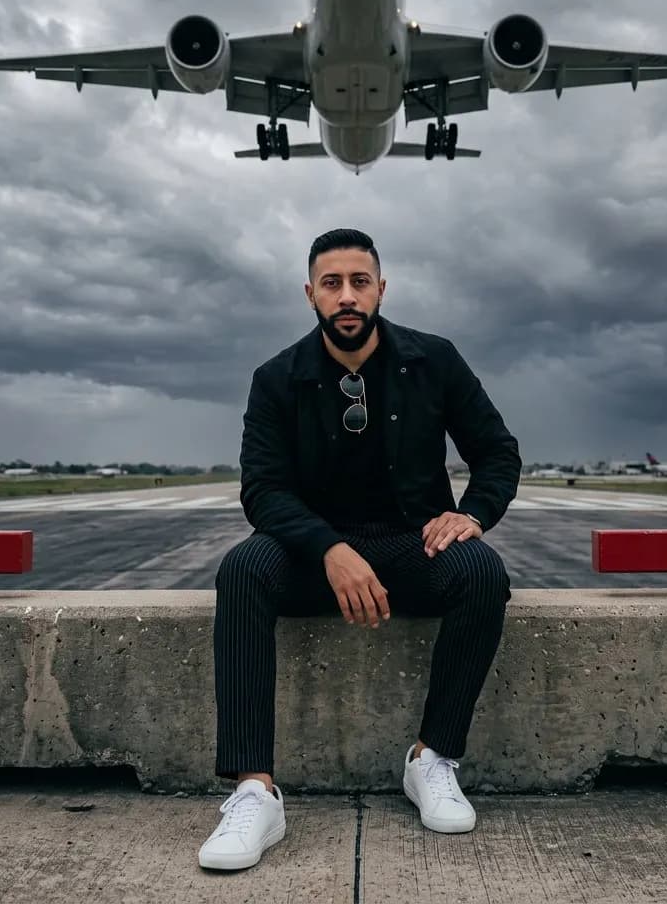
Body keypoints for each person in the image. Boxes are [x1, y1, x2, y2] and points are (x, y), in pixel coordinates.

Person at [199, 229, 521, 872]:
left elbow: (497, 452)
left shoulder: (436, 360)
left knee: (482, 571)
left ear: (380, 288)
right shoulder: (276, 378)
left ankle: (432, 758)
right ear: (310, 293)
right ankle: (253, 791)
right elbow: (261, 491)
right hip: (312, 555)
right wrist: (329, 547)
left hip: (411, 544)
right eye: (331, 283)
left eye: (359, 282)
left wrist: (473, 515)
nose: (346, 296)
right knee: (240, 570)